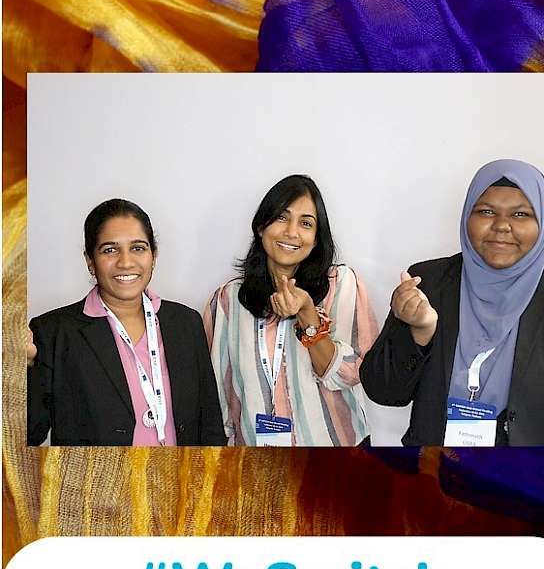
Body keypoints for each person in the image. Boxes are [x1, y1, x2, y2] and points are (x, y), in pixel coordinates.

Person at [360, 160, 544, 447]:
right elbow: (383, 391)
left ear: (543, 221)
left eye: (521, 214)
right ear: (466, 216)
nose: (502, 226)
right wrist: (419, 333)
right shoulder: (428, 281)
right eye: (486, 211)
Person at [27, 197, 226, 447]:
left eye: (138, 248)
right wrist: (17, 368)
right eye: (110, 250)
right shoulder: (53, 333)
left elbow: (210, 425)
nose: (126, 262)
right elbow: (28, 433)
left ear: (154, 255)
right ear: (90, 261)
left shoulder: (186, 323)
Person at [204, 173, 378, 446]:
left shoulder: (341, 283)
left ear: (316, 238)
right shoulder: (228, 300)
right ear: (261, 226)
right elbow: (218, 392)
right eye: (281, 218)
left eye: (306, 223)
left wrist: (308, 313)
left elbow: (352, 373)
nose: (292, 232)